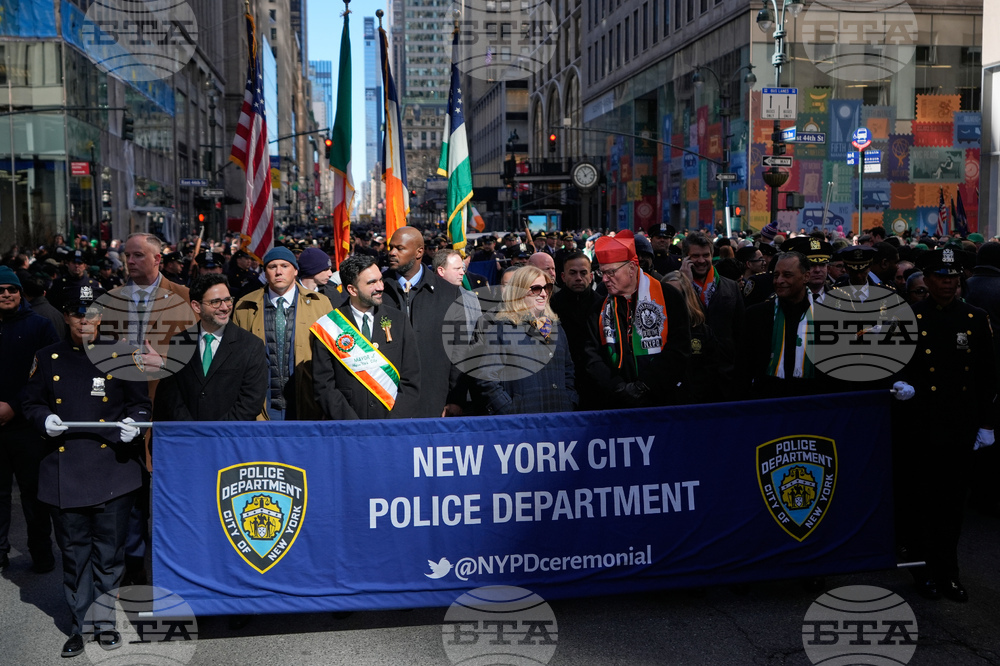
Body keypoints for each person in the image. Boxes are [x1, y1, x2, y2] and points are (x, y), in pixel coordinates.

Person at [21, 287, 151, 657]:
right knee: (75, 553)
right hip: (66, 470)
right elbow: (30, 401)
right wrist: (42, 418)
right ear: (66, 316)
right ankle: (80, 625)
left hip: (112, 468)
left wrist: (135, 425)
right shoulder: (47, 358)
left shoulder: (123, 355)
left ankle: (105, 623)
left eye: (92, 314)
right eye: (77, 314)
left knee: (109, 554)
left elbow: (140, 405)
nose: (85, 321)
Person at [894, 248, 997, 603]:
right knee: (921, 501)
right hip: (920, 423)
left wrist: (986, 423)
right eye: (941, 276)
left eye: (953, 277)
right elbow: (894, 363)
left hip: (959, 425)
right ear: (928, 278)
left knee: (952, 505)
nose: (948, 283)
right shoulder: (910, 317)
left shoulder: (974, 317)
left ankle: (948, 573)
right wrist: (902, 383)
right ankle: (923, 572)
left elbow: (987, 376)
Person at [582, 230, 690, 408]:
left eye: (611, 272)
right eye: (603, 273)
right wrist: (618, 387)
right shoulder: (598, 308)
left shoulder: (668, 296)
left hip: (663, 400)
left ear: (632, 268)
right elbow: (591, 357)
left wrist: (644, 385)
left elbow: (679, 347)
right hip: (617, 403)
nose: (605, 279)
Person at [311, 255, 420, 420]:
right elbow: (324, 386)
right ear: (352, 290)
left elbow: (411, 377)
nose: (380, 287)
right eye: (372, 283)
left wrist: (394, 421)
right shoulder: (329, 327)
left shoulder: (399, 321)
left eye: (380, 280)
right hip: (349, 428)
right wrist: (353, 425)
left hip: (392, 427)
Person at [0, 267, 58, 574]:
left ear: (21, 292)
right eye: (0, 290)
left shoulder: (39, 326)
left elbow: (47, 378)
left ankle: (42, 553)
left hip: (27, 427)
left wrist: (13, 405)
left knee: (34, 495)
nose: (6, 294)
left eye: (11, 288)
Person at [232, 246, 332, 420]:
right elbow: (235, 358)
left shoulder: (320, 304)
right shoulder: (245, 306)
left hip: (306, 403)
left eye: (284, 266)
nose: (279, 272)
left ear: (295, 271)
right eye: (272, 267)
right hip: (261, 406)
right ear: (265, 272)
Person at [154, 275, 268, 422]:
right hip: (189, 438)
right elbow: (171, 395)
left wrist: (215, 433)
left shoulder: (251, 345)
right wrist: (192, 431)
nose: (225, 307)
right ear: (196, 306)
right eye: (215, 302)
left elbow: (251, 401)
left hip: (229, 439)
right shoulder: (180, 343)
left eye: (227, 300)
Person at [381, 227, 466, 417]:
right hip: (387, 403)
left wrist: (455, 398)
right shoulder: (378, 291)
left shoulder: (449, 293)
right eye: (391, 248)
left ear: (419, 252)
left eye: (400, 248)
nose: (392, 253)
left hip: (435, 403)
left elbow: (459, 349)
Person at [475, 266, 577, 414]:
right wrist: (509, 410)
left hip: (559, 418)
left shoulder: (556, 328)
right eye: (536, 289)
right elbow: (486, 377)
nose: (543, 294)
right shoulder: (503, 329)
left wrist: (570, 400)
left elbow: (568, 370)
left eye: (547, 288)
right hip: (523, 422)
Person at [740, 252, 831, 398]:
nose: (779, 281)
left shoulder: (826, 317)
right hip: (767, 405)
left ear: (806, 277)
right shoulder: (756, 315)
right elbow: (744, 368)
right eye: (776, 275)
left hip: (813, 405)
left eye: (787, 275)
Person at [680, 232, 744, 399]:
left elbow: (740, 331)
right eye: (695, 256)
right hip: (690, 375)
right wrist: (684, 285)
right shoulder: (673, 287)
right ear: (686, 258)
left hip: (724, 373)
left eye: (705, 255)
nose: (701, 260)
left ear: (712, 255)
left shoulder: (731, 287)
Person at [550, 252, 602, 409]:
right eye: (573, 273)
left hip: (597, 384)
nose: (578, 278)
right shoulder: (550, 307)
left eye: (583, 273)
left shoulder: (603, 305)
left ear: (591, 276)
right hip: (562, 382)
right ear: (563, 276)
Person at [663, 271, 724, 404]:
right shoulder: (653, 331)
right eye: (666, 295)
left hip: (695, 403)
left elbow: (712, 369)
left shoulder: (702, 332)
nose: (671, 299)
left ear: (686, 297)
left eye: (676, 295)